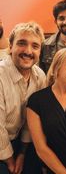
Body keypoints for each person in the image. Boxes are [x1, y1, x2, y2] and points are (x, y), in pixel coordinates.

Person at [0, 22, 46, 174]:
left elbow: (31, 120)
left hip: (21, 141)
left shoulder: (40, 76)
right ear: (10, 46)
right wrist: (10, 160)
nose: (28, 51)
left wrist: (22, 153)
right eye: (21, 43)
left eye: (35, 46)